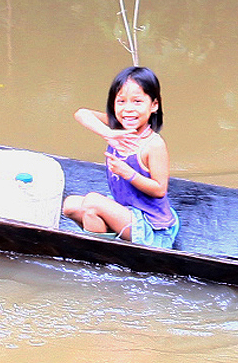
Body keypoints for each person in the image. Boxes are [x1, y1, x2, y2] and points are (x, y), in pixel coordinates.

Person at [61, 66, 176, 247]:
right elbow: (82, 113)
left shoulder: (154, 144)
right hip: (126, 210)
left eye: (137, 102)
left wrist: (128, 173)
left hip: (150, 226)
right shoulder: (118, 127)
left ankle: (98, 255)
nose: (128, 109)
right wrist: (107, 133)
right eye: (121, 101)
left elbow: (159, 189)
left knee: (91, 204)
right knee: (70, 205)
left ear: (154, 105)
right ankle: (105, 242)